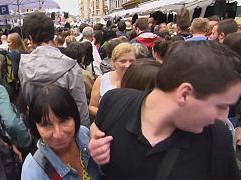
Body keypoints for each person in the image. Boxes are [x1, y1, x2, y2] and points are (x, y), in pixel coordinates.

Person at [88, 40, 241, 179]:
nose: (223, 116)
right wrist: (95, 148)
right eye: (220, 106)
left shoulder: (216, 137)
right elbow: (97, 132)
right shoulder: (114, 101)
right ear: (184, 94)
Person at [20, 12, 90, 127]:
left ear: (30, 38)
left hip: (41, 128)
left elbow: (28, 99)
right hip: (67, 131)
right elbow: (80, 107)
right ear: (53, 35)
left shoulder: (23, 65)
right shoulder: (71, 66)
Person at [21, 85, 100, 179]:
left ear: (74, 118)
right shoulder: (34, 171)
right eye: (46, 125)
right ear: (35, 126)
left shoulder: (84, 135)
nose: (58, 134)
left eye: (63, 121)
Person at [89, 42, 135, 117]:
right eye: (123, 61)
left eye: (131, 61)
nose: (127, 65)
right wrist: (109, 115)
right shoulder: (102, 80)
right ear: (113, 62)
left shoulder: (140, 80)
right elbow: (92, 107)